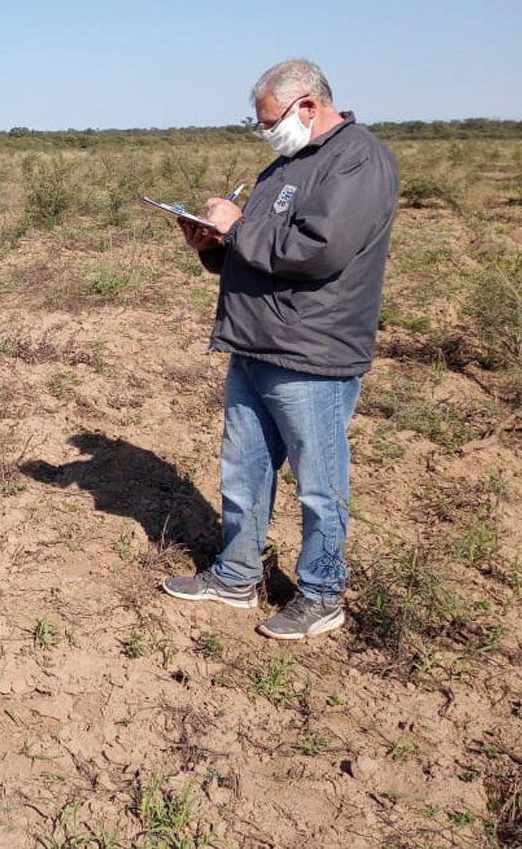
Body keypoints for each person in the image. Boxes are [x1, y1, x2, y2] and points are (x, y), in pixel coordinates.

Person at [161, 59, 400, 639]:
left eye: (271, 120)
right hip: (255, 342)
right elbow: (259, 248)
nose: (267, 131)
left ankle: (321, 593)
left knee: (319, 482)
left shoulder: (358, 159)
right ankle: (236, 575)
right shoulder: (286, 165)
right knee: (243, 472)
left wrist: (238, 225)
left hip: (311, 353)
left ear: (308, 106)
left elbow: (318, 250)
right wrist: (211, 242)